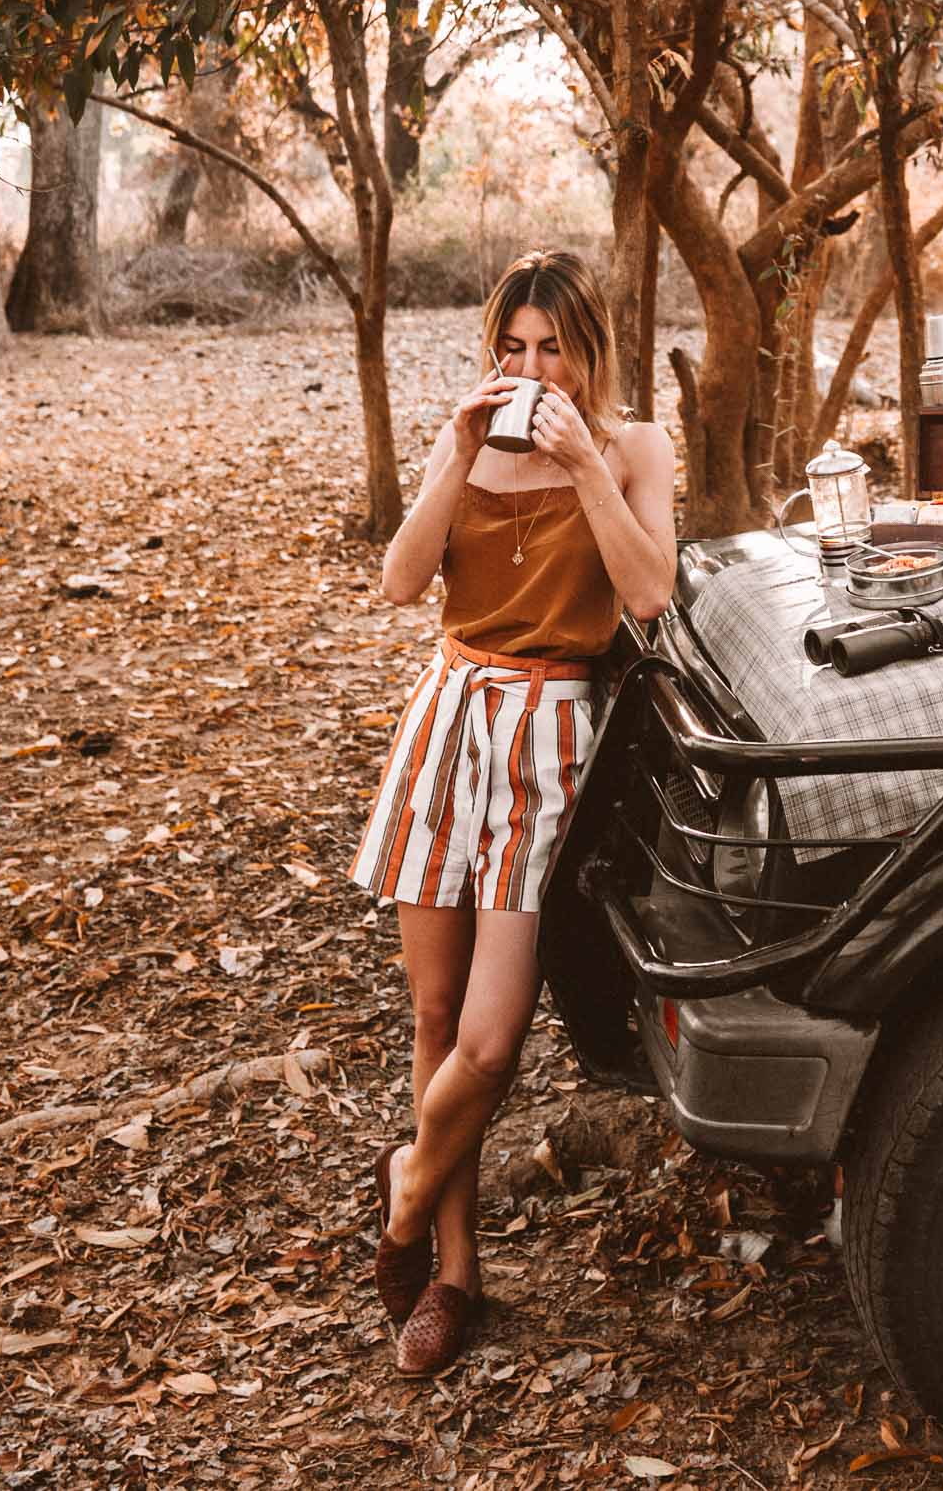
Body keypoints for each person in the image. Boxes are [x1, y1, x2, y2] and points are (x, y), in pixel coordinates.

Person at [351, 248, 675, 1375]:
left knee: (488, 1046)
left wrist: (584, 463)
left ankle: (405, 1189)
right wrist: (453, 451)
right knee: (434, 1018)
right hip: (448, 726)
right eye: (516, 346)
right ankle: (453, 1274)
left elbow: (645, 593)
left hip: (551, 744)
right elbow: (399, 582)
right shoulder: (467, 439)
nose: (534, 367)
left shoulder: (631, 446)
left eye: (555, 348)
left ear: (590, 353)